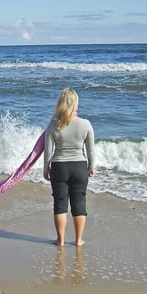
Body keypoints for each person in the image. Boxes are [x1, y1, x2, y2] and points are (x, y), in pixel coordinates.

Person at [43, 88, 95, 247]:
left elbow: (48, 149)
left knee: (60, 204)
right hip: (79, 167)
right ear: (76, 104)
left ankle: (60, 240)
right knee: (79, 203)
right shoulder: (85, 124)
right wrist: (91, 166)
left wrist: (46, 168)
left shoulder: (53, 124)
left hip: (59, 167)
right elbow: (90, 149)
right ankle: (79, 240)